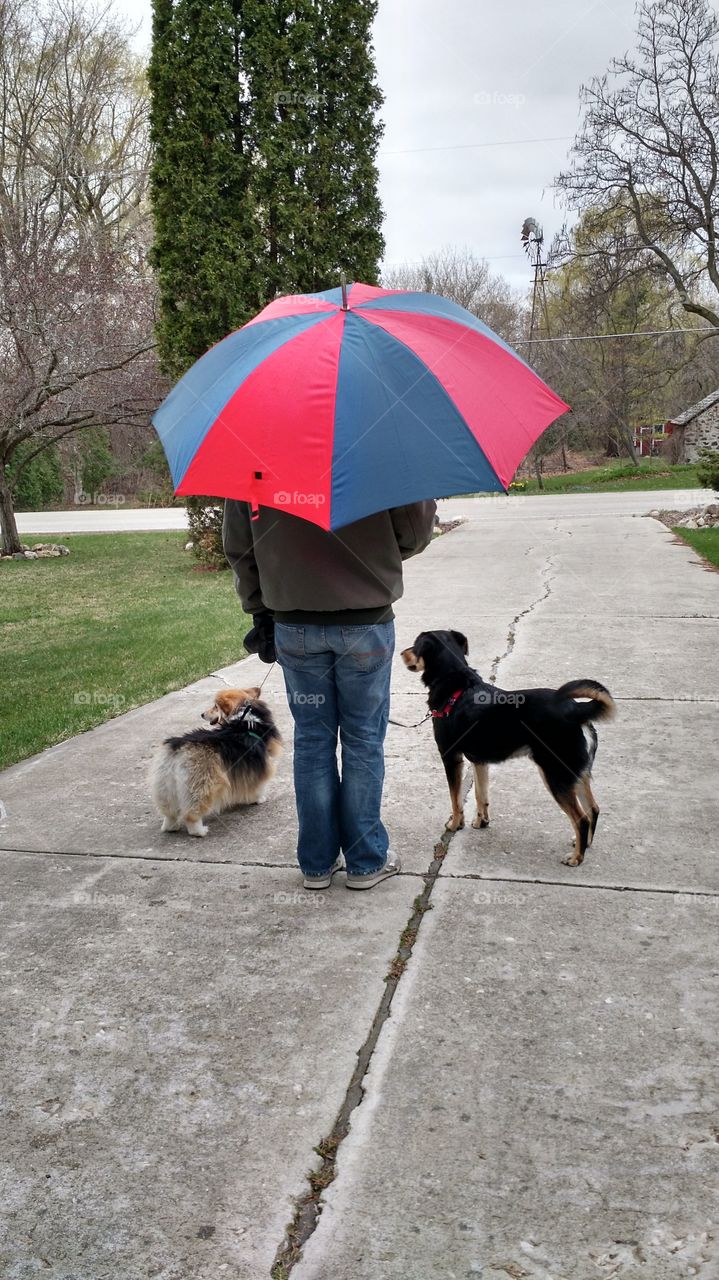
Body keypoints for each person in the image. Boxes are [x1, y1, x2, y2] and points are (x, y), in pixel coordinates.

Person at [222, 500, 436, 890]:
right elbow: (415, 533)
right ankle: (365, 862)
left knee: (312, 741)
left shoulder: (253, 464)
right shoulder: (381, 460)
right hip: (365, 620)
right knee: (363, 739)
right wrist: (370, 554)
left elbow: (240, 546)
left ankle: (317, 864)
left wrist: (259, 607)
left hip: (294, 623)